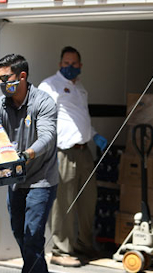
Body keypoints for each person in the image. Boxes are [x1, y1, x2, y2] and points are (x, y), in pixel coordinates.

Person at [0, 54, 59, 273]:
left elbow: (48, 137)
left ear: (22, 76)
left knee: (32, 235)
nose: (2, 84)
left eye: (6, 78)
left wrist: (27, 154)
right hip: (15, 180)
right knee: (20, 233)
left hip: (41, 179)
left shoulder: (43, 101)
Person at [39, 46, 108, 267]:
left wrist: (94, 135)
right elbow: (42, 118)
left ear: (80, 66)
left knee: (88, 200)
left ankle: (83, 245)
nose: (70, 67)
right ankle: (61, 249)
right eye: (66, 63)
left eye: (74, 64)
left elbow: (81, 118)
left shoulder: (80, 88)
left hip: (84, 151)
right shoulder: (50, 86)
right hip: (63, 152)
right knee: (63, 202)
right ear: (60, 64)